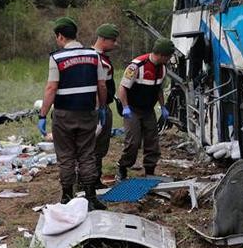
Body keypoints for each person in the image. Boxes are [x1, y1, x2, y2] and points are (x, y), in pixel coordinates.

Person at [37, 17, 108, 211]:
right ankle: (91, 197)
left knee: (66, 156)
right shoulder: (94, 56)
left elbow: (51, 88)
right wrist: (102, 107)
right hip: (87, 113)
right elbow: (101, 85)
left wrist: (43, 115)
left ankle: (67, 198)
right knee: (87, 155)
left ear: (60, 36)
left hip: (64, 115)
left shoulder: (57, 58)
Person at [116, 38, 175, 181]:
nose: (169, 60)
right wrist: (125, 108)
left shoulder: (162, 68)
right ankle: (122, 167)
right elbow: (122, 88)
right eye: (168, 57)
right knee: (133, 141)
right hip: (132, 108)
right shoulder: (136, 66)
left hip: (148, 109)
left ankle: (150, 170)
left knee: (152, 141)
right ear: (161, 55)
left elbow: (158, 89)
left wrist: (163, 106)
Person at [91, 23, 119, 188]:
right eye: (113, 40)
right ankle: (91, 180)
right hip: (97, 107)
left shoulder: (98, 57)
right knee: (96, 146)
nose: (115, 44)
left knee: (99, 147)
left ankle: (94, 178)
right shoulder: (96, 59)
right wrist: (100, 107)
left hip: (101, 105)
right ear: (103, 39)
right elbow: (98, 86)